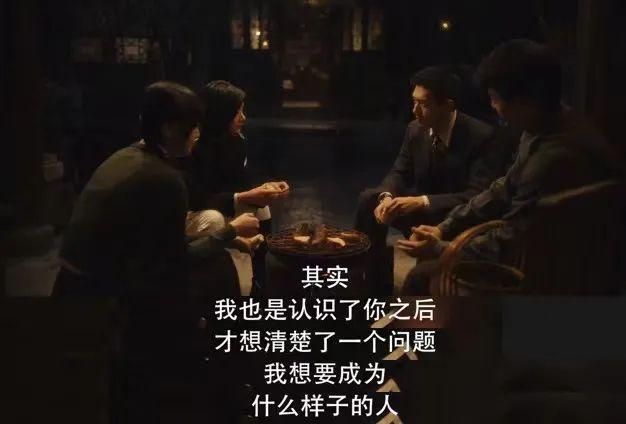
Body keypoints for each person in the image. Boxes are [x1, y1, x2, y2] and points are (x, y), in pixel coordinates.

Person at [398, 39, 622, 294]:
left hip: (551, 271)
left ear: (526, 101)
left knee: (420, 276)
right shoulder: (553, 123)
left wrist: (442, 248)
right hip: (547, 252)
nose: (493, 107)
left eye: (495, 99)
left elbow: (511, 241)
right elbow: (503, 188)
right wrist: (445, 227)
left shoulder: (551, 160)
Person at [54, 81, 259, 296]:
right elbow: (176, 260)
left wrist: (233, 240)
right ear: (168, 130)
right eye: (193, 126)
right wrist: (231, 230)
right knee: (219, 268)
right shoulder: (162, 177)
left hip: (70, 280)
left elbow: (162, 242)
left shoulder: (129, 155)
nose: (197, 133)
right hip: (97, 292)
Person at [355, 66, 515, 293]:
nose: (415, 111)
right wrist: (387, 197)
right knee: (370, 200)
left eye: (424, 104)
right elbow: (399, 172)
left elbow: (475, 195)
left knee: (423, 276)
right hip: (421, 209)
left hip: (455, 214)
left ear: (448, 106)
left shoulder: (482, 136)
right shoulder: (415, 130)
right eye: (414, 102)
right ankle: (369, 282)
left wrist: (422, 201)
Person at [178, 80, 289, 294]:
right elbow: (199, 199)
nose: (243, 118)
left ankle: (259, 276)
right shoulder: (194, 147)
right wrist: (244, 197)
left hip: (222, 203)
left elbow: (240, 184)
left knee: (262, 209)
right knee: (218, 218)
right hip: (198, 211)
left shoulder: (236, 141)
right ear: (221, 115)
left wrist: (264, 190)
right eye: (237, 112)